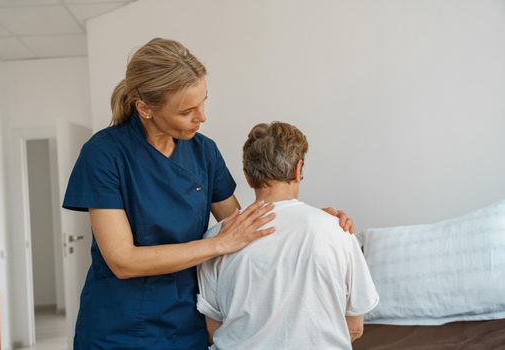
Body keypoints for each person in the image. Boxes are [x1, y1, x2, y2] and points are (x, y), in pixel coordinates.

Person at [62, 38, 355, 349]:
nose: (202, 117)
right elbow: (123, 260)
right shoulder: (104, 154)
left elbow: (245, 227)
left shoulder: (204, 152)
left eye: (204, 102)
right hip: (120, 329)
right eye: (187, 110)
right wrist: (218, 244)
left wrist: (310, 220)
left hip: (187, 322)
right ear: (145, 109)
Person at [196, 122, 379, 350]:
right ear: (298, 169)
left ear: (248, 176)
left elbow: (214, 331)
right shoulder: (338, 230)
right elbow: (354, 327)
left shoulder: (215, 239)